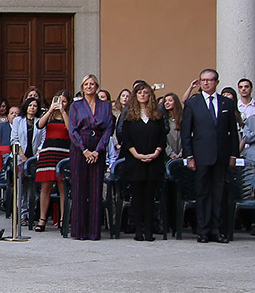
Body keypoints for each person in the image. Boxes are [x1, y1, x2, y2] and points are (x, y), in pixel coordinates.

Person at [180, 68, 241, 243]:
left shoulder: (226, 103)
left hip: (221, 156)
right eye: (203, 80)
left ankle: (217, 230)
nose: (206, 83)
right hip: (201, 156)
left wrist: (233, 155)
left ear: (216, 82)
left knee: (219, 193)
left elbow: (233, 132)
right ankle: (203, 231)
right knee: (203, 193)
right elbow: (186, 133)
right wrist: (189, 156)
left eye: (209, 80)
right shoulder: (193, 103)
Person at [119, 80, 165, 241]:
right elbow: (126, 138)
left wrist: (155, 153)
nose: (143, 95)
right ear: (135, 95)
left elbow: (162, 137)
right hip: (135, 161)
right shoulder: (130, 115)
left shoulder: (157, 115)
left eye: (145, 92)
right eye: (139, 93)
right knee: (137, 196)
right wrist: (137, 154)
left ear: (150, 95)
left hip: (154, 160)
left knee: (150, 197)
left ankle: (149, 230)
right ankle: (138, 229)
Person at [69, 74, 114, 240]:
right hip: (80, 146)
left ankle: (94, 231)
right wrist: (84, 150)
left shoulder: (105, 106)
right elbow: (72, 129)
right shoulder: (76, 106)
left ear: (97, 87)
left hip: (98, 146)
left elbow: (109, 128)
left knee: (95, 189)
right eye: (86, 84)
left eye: (92, 84)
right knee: (80, 188)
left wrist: (97, 150)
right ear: (82, 87)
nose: (89, 86)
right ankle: (79, 231)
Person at [33, 92, 71, 232]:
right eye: (58, 100)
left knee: (63, 188)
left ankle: (63, 219)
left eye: (64, 101)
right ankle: (42, 219)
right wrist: (51, 110)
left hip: (63, 153)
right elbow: (39, 125)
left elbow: (70, 128)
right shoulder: (49, 115)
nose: (61, 103)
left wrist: (62, 111)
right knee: (46, 187)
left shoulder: (69, 115)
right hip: (48, 152)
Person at [161, 92, 185, 163]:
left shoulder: (183, 118)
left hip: (183, 156)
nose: (167, 103)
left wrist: (182, 151)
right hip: (167, 157)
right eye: (165, 101)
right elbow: (162, 139)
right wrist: (171, 153)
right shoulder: (163, 120)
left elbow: (187, 136)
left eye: (170, 100)